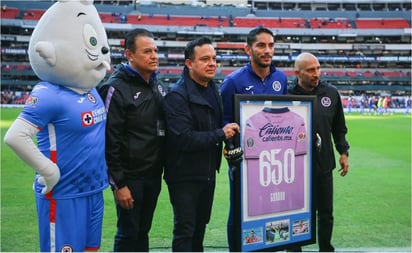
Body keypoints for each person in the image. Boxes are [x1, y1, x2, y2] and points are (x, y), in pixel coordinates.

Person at [3, 1, 111, 251]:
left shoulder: (92, 91)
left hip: (93, 190)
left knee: (90, 249)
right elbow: (15, 136)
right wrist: (48, 170)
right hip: (63, 194)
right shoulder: (49, 94)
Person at [163, 37, 240, 252]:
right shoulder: (177, 96)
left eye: (214, 58)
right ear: (189, 63)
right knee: (185, 231)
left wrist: (225, 142)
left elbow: (215, 126)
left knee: (199, 229)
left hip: (207, 173)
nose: (212, 63)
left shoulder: (212, 88)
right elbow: (183, 138)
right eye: (205, 59)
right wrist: (219, 134)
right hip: (184, 175)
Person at [220, 26, 288, 251]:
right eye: (261, 45)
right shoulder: (233, 82)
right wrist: (230, 149)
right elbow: (224, 120)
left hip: (274, 160)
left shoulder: (281, 78)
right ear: (247, 49)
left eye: (271, 45)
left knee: (272, 209)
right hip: (244, 161)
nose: (267, 50)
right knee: (240, 209)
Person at [98, 28, 166, 252]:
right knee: (128, 234)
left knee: (142, 231)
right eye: (147, 51)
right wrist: (119, 184)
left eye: (155, 50)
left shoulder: (155, 83)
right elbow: (109, 140)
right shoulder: (115, 88)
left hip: (153, 174)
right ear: (129, 55)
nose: (154, 55)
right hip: (130, 178)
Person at [288, 52, 350, 252]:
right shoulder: (287, 96)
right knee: (296, 214)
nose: (316, 73)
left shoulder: (330, 93)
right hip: (295, 170)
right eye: (310, 70)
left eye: (318, 68)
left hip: (324, 165)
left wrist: (343, 152)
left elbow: (339, 127)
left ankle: (326, 248)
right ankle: (294, 249)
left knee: (326, 213)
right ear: (297, 72)